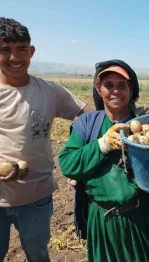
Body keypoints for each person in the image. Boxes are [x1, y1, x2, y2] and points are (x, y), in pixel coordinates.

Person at [58, 59, 149, 262]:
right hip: (105, 222)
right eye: (109, 85)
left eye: (122, 85)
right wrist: (102, 145)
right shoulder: (87, 124)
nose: (115, 91)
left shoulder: (146, 125)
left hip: (146, 218)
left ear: (131, 90)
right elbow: (67, 164)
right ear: (99, 88)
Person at [0, 17, 92, 261]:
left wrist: (127, 117)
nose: (14, 58)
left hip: (36, 198)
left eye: (21, 49)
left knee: (38, 254)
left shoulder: (50, 91)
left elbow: (90, 119)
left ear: (31, 51)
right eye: (5, 50)